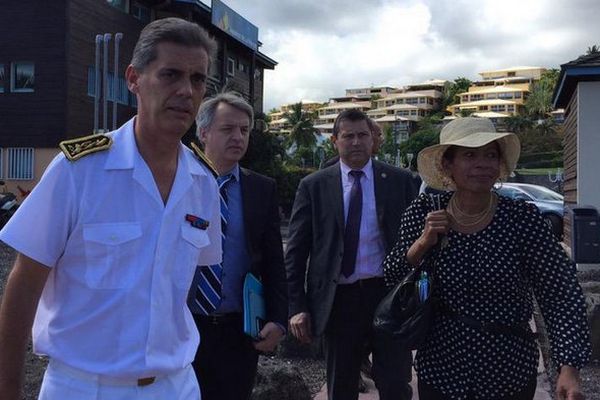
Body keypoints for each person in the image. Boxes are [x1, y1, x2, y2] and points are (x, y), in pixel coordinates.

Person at [0, 18, 222, 400]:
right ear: (134, 79)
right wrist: (8, 389)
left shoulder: (202, 181)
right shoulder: (79, 171)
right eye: (170, 74)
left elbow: (172, 291)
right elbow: (23, 283)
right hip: (85, 387)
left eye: (198, 79)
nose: (186, 91)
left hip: (176, 385)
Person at [383, 117, 591, 400]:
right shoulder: (425, 212)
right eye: (470, 155)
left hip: (507, 370)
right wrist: (422, 242)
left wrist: (569, 366)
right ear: (448, 165)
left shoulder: (521, 219)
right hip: (441, 368)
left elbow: (560, 292)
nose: (483, 164)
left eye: (491, 155)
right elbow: (392, 275)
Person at [286, 109, 417, 400]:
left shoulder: (400, 181)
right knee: (341, 385)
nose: (356, 142)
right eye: (348, 136)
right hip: (339, 300)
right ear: (335, 140)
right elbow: (296, 250)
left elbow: (416, 242)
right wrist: (297, 305)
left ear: (373, 140)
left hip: (388, 296)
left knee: (395, 383)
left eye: (363, 135)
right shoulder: (314, 186)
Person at [189, 92, 288, 400]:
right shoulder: (178, 181)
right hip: (183, 326)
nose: (238, 137)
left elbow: (273, 259)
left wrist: (279, 320)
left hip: (239, 329)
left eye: (244, 130)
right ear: (204, 132)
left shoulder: (261, 188)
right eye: (228, 129)